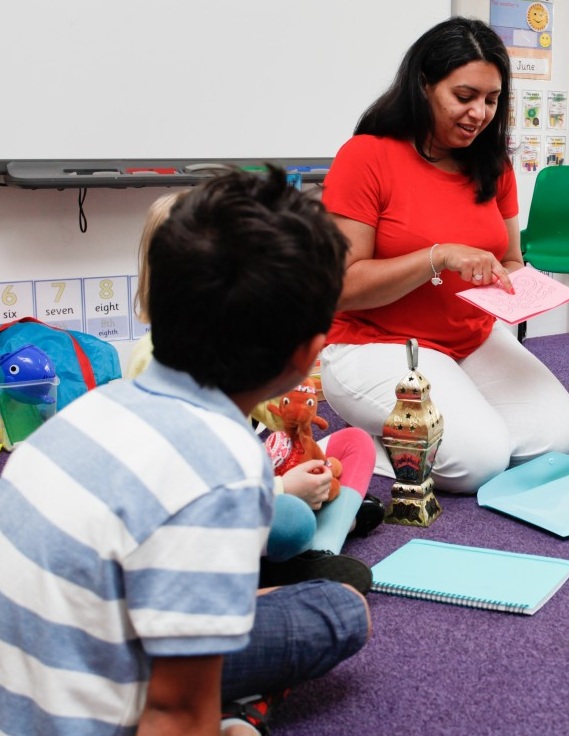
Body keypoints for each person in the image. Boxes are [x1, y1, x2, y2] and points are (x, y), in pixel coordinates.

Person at [0, 167, 370, 735]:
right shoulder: (224, 465)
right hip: (100, 703)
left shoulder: (80, 414)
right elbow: (174, 712)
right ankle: (239, 709)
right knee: (343, 608)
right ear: (309, 354)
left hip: (31, 683)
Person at [319, 16, 569, 494]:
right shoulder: (366, 156)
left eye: (492, 99)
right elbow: (343, 288)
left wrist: (514, 284)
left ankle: (457, 425)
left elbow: (511, 259)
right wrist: (437, 257)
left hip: (470, 338)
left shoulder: (493, 163)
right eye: (464, 96)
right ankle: (352, 445)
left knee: (560, 441)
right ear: (424, 85)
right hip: (374, 342)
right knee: (479, 462)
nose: (479, 113)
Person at [125, 192, 385, 586]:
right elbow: (186, 485)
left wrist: (295, 413)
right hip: (201, 502)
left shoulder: (232, 338)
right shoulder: (157, 357)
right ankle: (312, 538)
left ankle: (319, 551)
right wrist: (282, 488)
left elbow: (277, 416)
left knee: (356, 444)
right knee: (293, 519)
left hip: (250, 471)